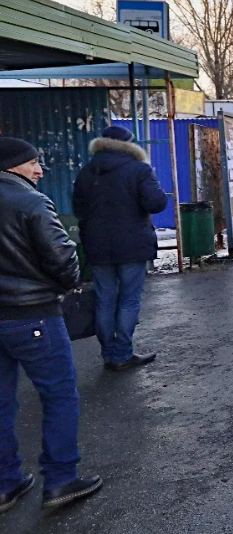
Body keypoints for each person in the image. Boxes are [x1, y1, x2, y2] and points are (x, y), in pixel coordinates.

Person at [0, 138, 103, 510]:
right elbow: (63, 260)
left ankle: (4, 483)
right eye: (32, 164)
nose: (39, 170)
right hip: (33, 316)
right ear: (12, 166)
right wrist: (66, 286)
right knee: (58, 395)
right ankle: (61, 479)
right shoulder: (30, 202)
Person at [72, 126, 166, 371]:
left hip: (97, 245)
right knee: (129, 298)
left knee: (105, 299)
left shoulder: (86, 171)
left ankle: (108, 354)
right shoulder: (139, 169)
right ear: (129, 144)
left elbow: (79, 210)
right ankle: (123, 352)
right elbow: (156, 203)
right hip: (132, 244)